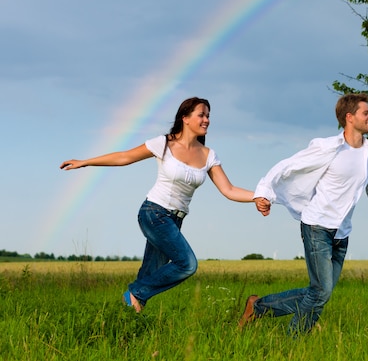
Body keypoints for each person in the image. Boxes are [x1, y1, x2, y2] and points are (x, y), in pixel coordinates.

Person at [60, 97, 270, 313]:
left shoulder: (208, 155)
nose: (206, 120)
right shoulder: (164, 143)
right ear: (185, 118)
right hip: (154, 213)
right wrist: (85, 162)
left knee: (149, 275)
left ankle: (124, 322)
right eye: (202, 115)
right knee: (187, 264)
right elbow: (124, 157)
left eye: (208, 116)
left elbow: (229, 189)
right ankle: (133, 294)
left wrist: (258, 196)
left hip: (175, 220)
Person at [239, 93, 368, 335]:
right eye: (366, 113)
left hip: (342, 233)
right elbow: (286, 165)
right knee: (320, 292)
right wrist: (264, 193)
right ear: (350, 117)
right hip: (317, 226)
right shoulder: (328, 147)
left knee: (321, 292)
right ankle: (292, 343)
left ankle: (257, 307)